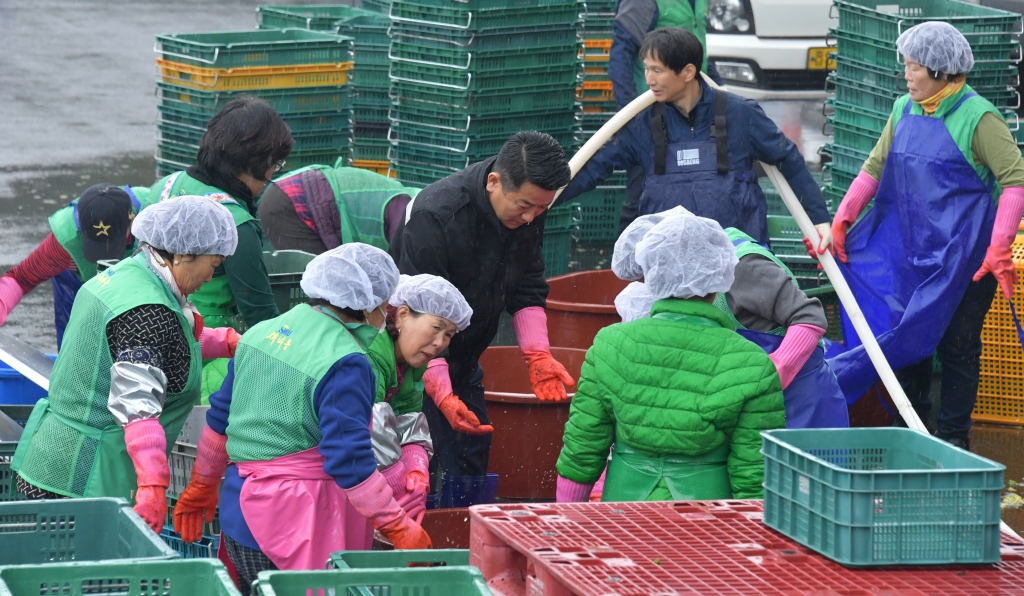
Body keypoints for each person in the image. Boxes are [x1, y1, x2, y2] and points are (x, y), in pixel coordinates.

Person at [813, 22, 1024, 450]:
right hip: (910, 254)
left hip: (965, 261)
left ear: (942, 72)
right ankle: (914, 434)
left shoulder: (979, 117)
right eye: (906, 66)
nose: (906, 75)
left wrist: (999, 246)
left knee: (958, 347)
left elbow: (1015, 180)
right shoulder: (903, 109)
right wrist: (844, 218)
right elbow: (874, 168)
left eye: (914, 67)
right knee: (910, 344)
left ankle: (953, 442)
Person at [172, 244, 430, 593]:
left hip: (238, 519)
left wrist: (203, 485)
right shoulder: (347, 360)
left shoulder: (264, 332)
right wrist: (399, 526)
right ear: (372, 305)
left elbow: (220, 420)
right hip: (294, 526)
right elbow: (350, 462)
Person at [10, 196, 239, 533]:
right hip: (83, 479)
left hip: (53, 457)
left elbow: (159, 345)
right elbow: (137, 407)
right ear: (184, 253)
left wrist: (227, 342)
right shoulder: (147, 310)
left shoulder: (129, 275)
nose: (211, 276)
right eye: (213, 264)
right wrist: (153, 484)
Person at [388, 131, 576, 493]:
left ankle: (466, 537)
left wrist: (537, 353)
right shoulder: (436, 214)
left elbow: (528, 283)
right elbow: (418, 316)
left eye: (542, 208)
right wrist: (440, 392)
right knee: (419, 465)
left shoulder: (529, 211)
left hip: (465, 358)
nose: (532, 216)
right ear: (494, 182)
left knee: (471, 453)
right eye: (524, 206)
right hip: (411, 365)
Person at [555, 214, 785, 502]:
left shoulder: (609, 344)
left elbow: (582, 448)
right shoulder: (752, 363)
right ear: (719, 281)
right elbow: (754, 472)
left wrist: (568, 520)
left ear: (652, 273)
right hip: (709, 521)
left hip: (621, 516)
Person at [559, 27, 833, 249]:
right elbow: (594, 166)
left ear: (688, 72)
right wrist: (542, 200)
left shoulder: (740, 114)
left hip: (741, 268)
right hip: (668, 270)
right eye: (646, 69)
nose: (649, 79)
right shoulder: (641, 124)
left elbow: (789, 160)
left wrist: (819, 220)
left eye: (658, 70)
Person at [616, 208, 849, 428]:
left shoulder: (742, 267)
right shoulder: (696, 280)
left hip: (804, 404)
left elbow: (809, 317)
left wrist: (772, 375)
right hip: (758, 406)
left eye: (650, 273)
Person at [145, 96, 293, 398]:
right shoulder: (236, 225)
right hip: (207, 357)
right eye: (273, 164)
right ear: (250, 163)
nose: (272, 174)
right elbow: (261, 318)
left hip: (150, 340)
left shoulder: (164, 187)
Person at [610, 0, 724, 232]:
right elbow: (621, 54)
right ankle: (629, 264)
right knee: (642, 196)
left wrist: (721, 95)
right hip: (651, 114)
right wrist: (630, 113)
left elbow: (695, 56)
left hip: (689, 114)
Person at [368, 274, 473, 524]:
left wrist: (417, 466)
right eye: (436, 328)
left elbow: (408, 421)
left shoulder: (411, 365)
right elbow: (369, 429)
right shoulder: (368, 355)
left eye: (449, 335)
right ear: (402, 315)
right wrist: (399, 493)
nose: (439, 343)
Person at [0, 183, 147, 347]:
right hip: (77, 280)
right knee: (77, 343)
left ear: (132, 220)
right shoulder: (65, 243)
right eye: (98, 246)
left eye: (111, 244)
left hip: (140, 276)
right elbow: (21, 279)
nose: (105, 255)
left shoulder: (151, 210)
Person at [259, 163, 420, 253]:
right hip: (292, 202)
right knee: (322, 286)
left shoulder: (403, 200)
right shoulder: (407, 211)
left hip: (289, 192)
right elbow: (403, 272)